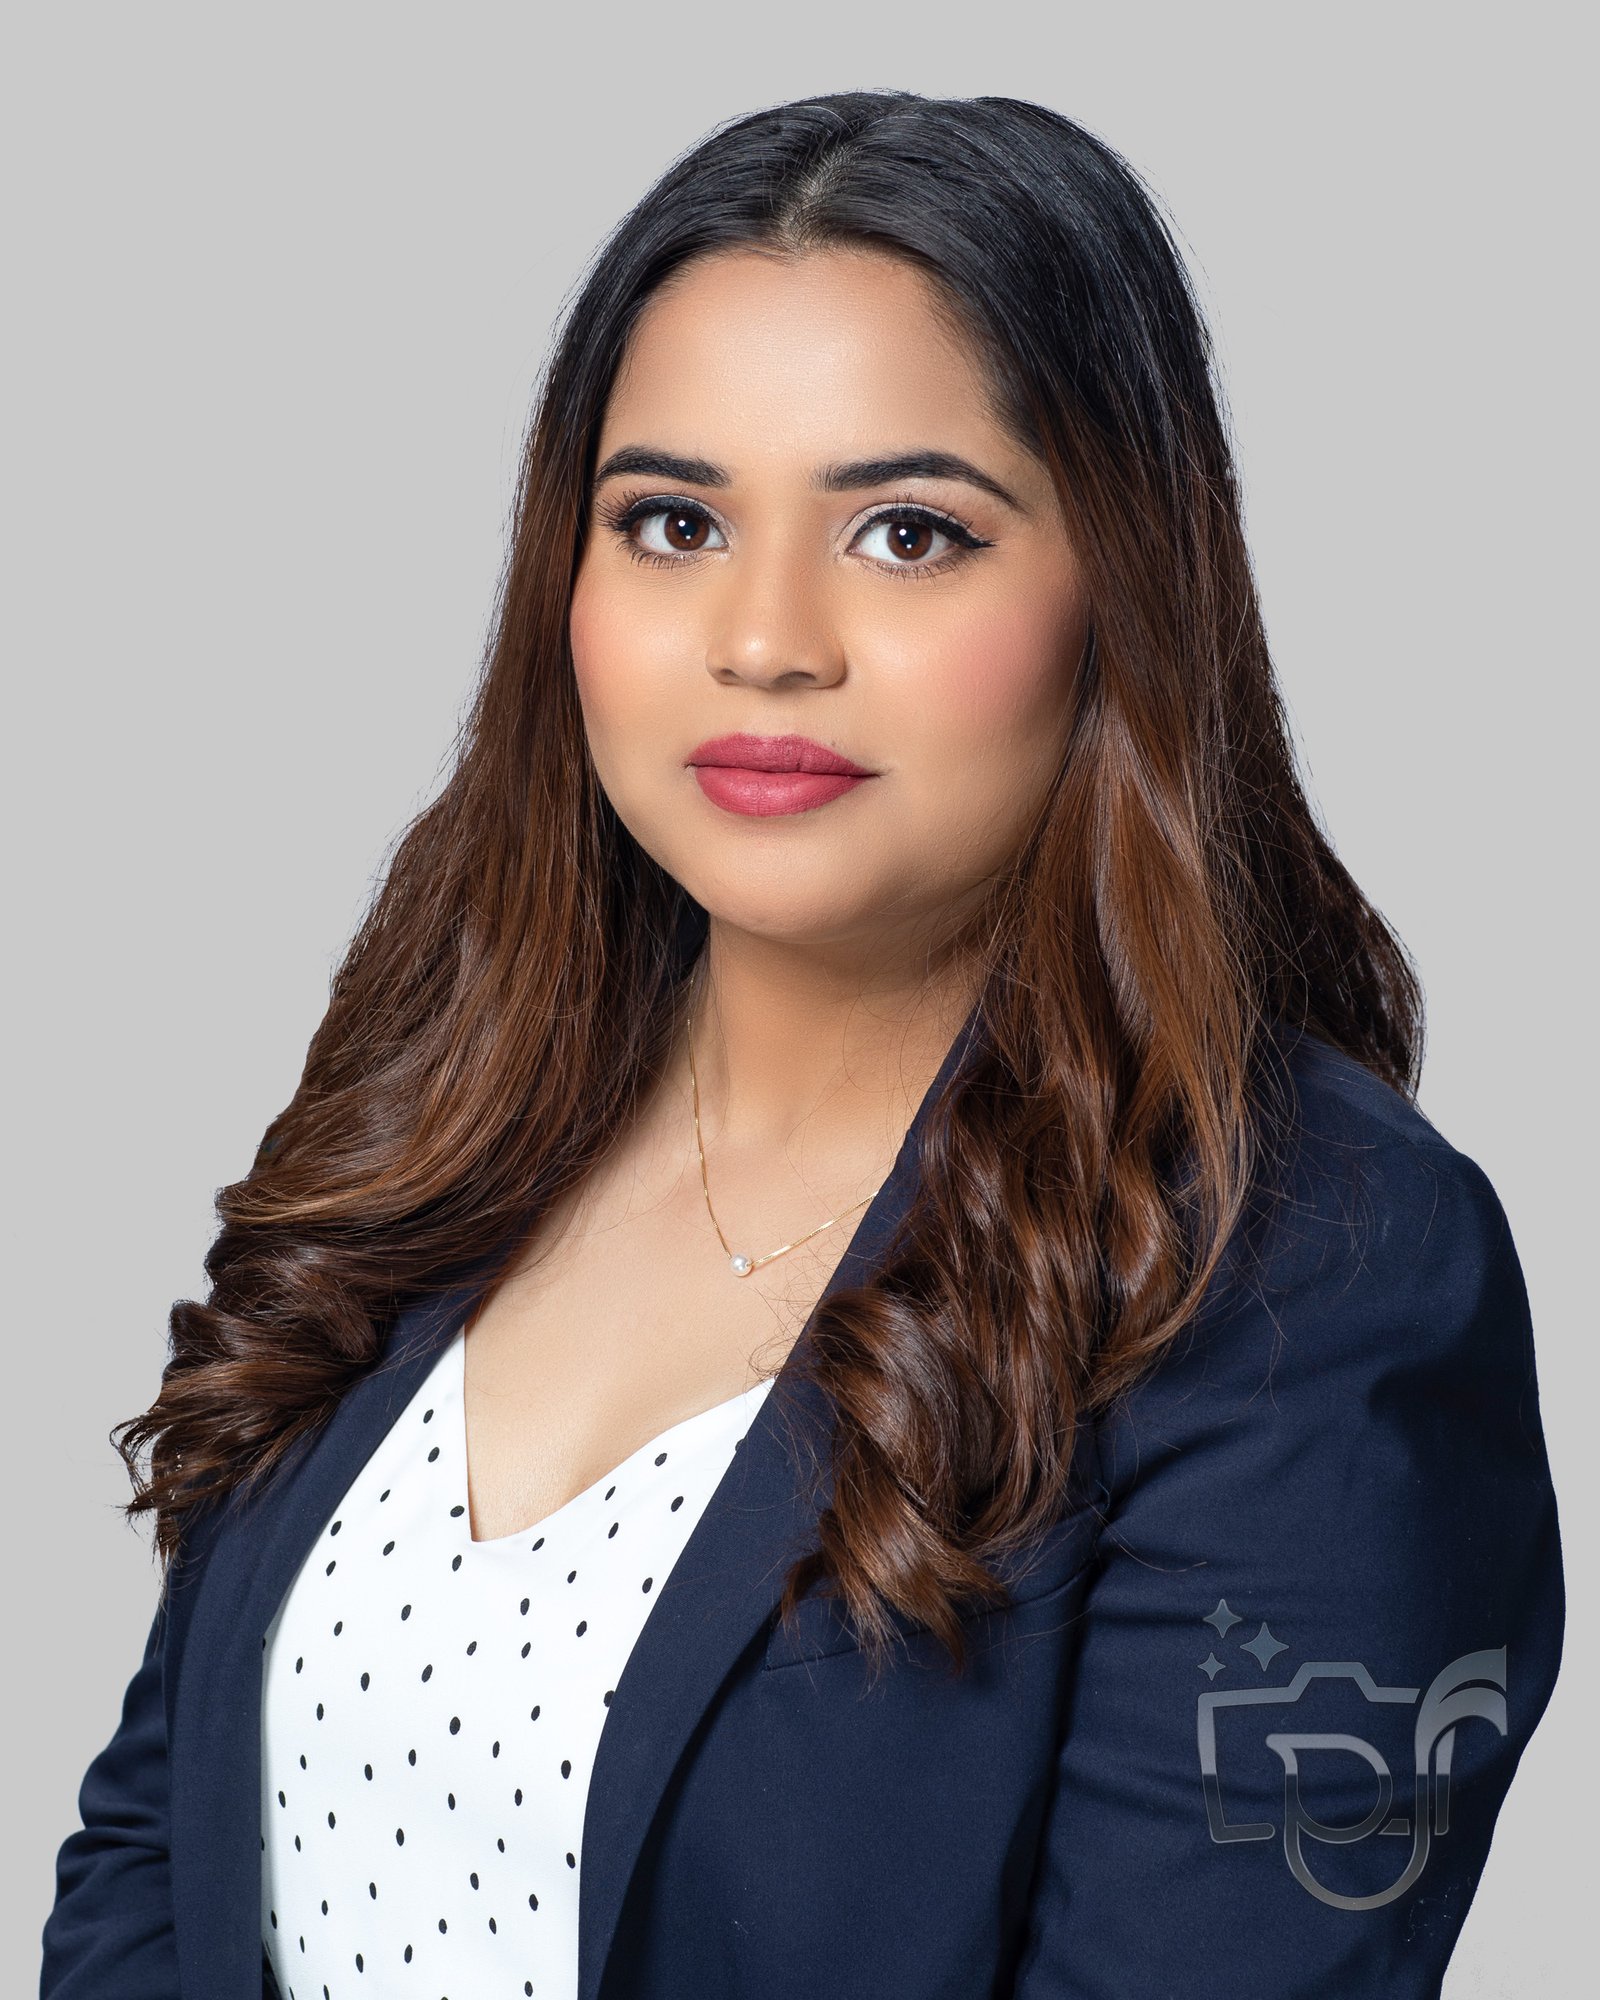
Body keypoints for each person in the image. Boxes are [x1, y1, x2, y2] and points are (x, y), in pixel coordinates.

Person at [40, 89, 1564, 2000]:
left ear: (1124, 585)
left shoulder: (1318, 1270)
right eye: (672, 523)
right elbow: (159, 1850)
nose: (764, 640)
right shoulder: (444, 1100)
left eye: (908, 533)